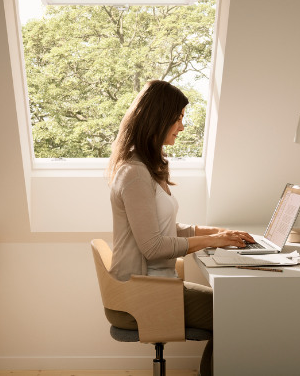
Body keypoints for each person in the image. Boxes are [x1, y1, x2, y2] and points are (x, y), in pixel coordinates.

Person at [106, 79, 254, 376]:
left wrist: (218, 234)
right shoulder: (134, 174)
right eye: (178, 118)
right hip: (142, 293)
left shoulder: (145, 166)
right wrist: (217, 239)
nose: (182, 127)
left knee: (235, 306)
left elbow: (167, 230)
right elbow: (154, 247)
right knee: (237, 313)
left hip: (156, 283)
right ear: (158, 119)